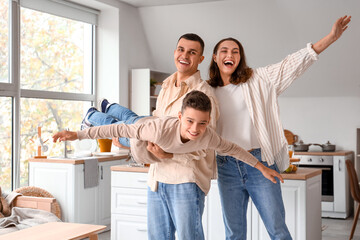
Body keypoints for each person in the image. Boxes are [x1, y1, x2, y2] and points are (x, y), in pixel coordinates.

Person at [207, 15, 351, 240]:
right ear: (215, 57)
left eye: (236, 51)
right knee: (234, 234)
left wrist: (331, 38)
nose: (230, 55)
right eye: (224, 51)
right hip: (226, 165)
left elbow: (293, 63)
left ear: (240, 58)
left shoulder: (258, 80)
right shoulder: (207, 90)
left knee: (278, 230)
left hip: (260, 161)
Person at [53, 91, 283, 185]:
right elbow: (117, 131)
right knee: (120, 124)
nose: (195, 129)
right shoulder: (157, 130)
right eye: (190, 122)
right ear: (180, 116)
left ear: (209, 121)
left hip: (146, 123)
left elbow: (234, 149)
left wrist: (262, 168)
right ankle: (92, 115)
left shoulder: (208, 136)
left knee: (132, 117)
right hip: (140, 138)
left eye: (202, 123)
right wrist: (79, 134)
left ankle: (109, 105)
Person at [143, 33, 219, 240]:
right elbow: (158, 126)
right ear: (175, 52)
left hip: (186, 179)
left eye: (192, 52)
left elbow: (204, 143)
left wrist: (169, 155)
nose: (184, 55)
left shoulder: (205, 94)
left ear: (201, 59)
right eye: (181, 49)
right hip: (157, 178)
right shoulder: (165, 86)